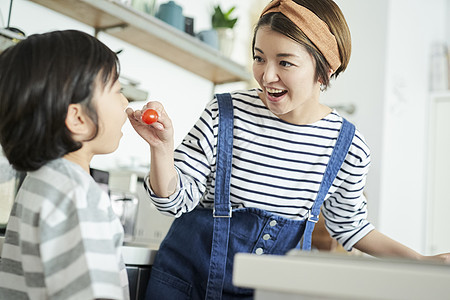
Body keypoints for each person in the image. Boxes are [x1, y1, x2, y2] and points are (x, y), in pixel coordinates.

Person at [127, 0, 450, 299]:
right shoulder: (225, 113)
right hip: (184, 287)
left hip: (270, 293)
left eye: (285, 62)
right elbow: (174, 201)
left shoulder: (348, 147)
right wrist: (162, 150)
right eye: (259, 57)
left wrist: (420, 261)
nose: (267, 76)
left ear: (325, 70)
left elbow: (351, 227)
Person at [0, 30, 130, 299]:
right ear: (78, 119)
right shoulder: (77, 196)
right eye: (118, 91)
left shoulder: (39, 182)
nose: (126, 103)